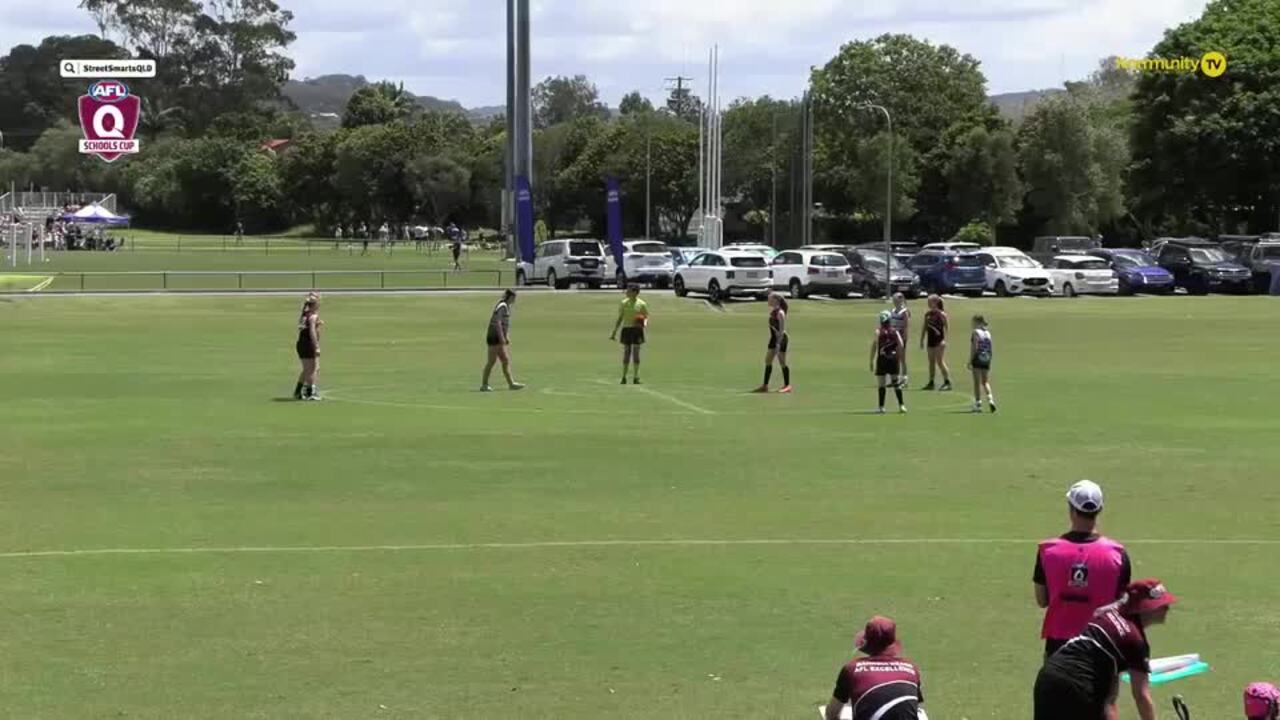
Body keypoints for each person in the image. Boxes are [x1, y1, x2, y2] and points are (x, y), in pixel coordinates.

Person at [1033, 579, 1177, 720]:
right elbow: (1141, 696)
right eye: (1161, 605)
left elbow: (1109, 695)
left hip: (1049, 675)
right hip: (1079, 688)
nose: (1167, 609)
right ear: (1144, 608)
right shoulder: (1136, 641)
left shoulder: (1108, 612)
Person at [1035, 480, 1131, 658]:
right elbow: (1121, 602)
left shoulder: (1047, 551)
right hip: (1102, 643)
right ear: (1099, 509)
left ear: (1071, 509)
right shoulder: (1117, 553)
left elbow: (1042, 600)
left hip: (1059, 644)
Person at [823, 616, 926, 720]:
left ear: (866, 642)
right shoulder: (911, 669)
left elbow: (832, 714)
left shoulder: (851, 669)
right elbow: (913, 710)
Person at [481, 289, 525, 392]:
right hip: (494, 336)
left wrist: (506, 336)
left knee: (505, 360)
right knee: (491, 361)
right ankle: (484, 385)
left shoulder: (506, 306)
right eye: (514, 297)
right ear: (509, 297)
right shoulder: (503, 306)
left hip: (499, 336)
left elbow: (505, 324)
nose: (515, 300)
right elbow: (498, 322)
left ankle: (511, 384)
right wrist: (501, 337)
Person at [610, 283, 648, 384]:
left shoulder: (642, 304)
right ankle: (624, 376)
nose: (627, 292)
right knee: (626, 352)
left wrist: (643, 325)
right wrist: (614, 331)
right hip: (626, 329)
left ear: (635, 292)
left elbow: (645, 318)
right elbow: (620, 318)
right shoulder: (624, 303)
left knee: (636, 353)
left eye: (629, 290)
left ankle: (636, 377)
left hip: (637, 331)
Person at [754, 293, 793, 393]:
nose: (768, 301)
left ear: (775, 300)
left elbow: (781, 329)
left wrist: (778, 343)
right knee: (768, 360)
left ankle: (787, 386)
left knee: (782, 362)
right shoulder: (773, 312)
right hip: (773, 338)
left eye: (770, 299)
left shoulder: (780, 313)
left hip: (781, 339)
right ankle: (765, 386)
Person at [870, 310, 906, 414]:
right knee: (896, 383)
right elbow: (901, 345)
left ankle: (881, 407)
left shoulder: (878, 331)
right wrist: (897, 355)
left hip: (882, 360)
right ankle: (901, 405)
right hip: (893, 359)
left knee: (881, 384)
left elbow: (874, 346)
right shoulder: (895, 331)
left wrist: (871, 360)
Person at [293, 293, 323, 400]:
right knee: (312, 369)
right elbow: (312, 332)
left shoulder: (305, 314)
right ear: (314, 305)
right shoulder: (313, 316)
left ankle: (298, 392)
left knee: (307, 369)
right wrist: (316, 346)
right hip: (308, 344)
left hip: (301, 344)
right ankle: (310, 392)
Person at [919, 295, 951, 391]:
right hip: (930, 341)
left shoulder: (942, 314)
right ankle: (931, 382)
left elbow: (946, 328)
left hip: (939, 341)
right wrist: (922, 339)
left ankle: (947, 382)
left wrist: (944, 340)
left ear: (936, 302)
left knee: (940, 361)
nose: (928, 304)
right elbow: (924, 328)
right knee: (931, 362)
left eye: (930, 302)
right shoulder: (927, 314)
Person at [968, 314, 996, 413]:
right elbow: (990, 347)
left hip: (978, 358)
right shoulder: (988, 333)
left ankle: (978, 404)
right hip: (986, 358)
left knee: (977, 382)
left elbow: (975, 347)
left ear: (977, 322)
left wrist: (970, 360)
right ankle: (990, 400)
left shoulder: (975, 332)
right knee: (985, 382)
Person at [889, 293, 911, 389]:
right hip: (893, 337)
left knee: (902, 358)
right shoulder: (893, 310)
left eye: (896, 300)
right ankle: (895, 379)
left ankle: (905, 380)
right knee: (894, 358)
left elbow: (906, 326)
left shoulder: (904, 312)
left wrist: (904, 338)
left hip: (900, 337)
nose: (894, 302)